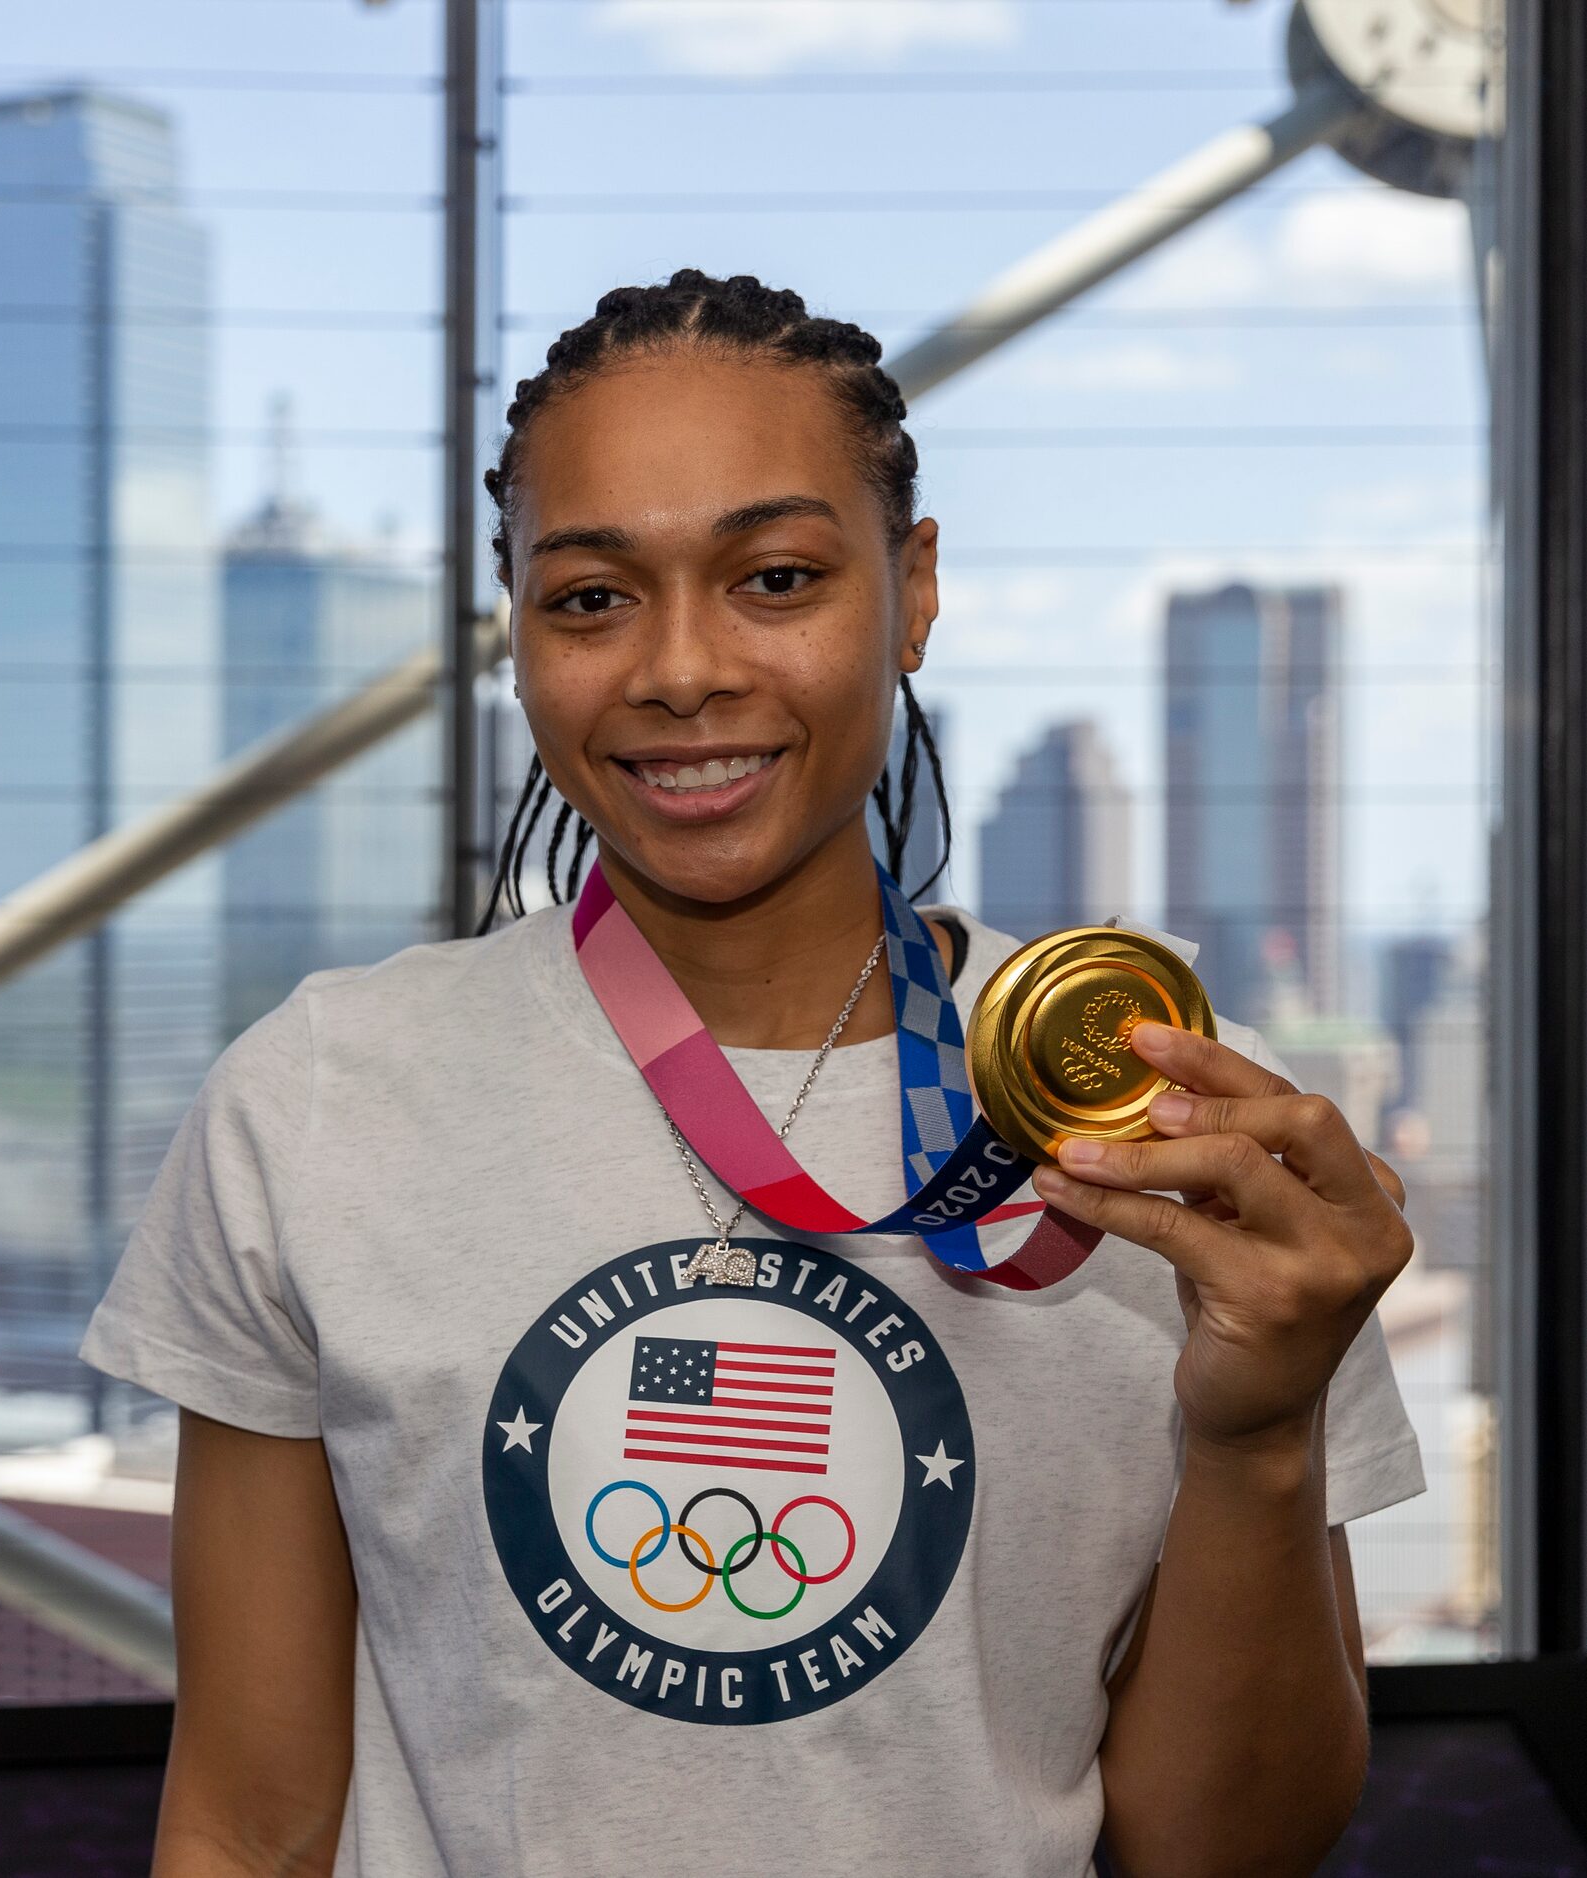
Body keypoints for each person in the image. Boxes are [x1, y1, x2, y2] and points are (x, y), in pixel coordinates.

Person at [82, 271, 1424, 1878]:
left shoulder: (1181, 1124)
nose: (679, 668)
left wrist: (1260, 1430)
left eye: (773, 576)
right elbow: (243, 1822)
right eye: (588, 597)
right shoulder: (317, 1101)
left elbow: (1226, 1851)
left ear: (912, 587)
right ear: (515, 628)